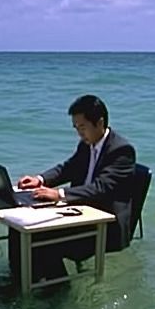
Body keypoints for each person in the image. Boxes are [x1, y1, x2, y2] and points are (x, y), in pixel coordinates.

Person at [10, 94, 136, 282]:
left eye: (82, 127)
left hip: (106, 226)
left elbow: (100, 188)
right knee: (18, 229)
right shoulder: (86, 144)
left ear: (100, 123)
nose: (79, 133)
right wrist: (40, 179)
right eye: (76, 128)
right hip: (80, 213)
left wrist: (59, 194)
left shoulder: (122, 151)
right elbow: (68, 168)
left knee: (43, 239)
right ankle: (21, 281)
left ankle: (57, 290)